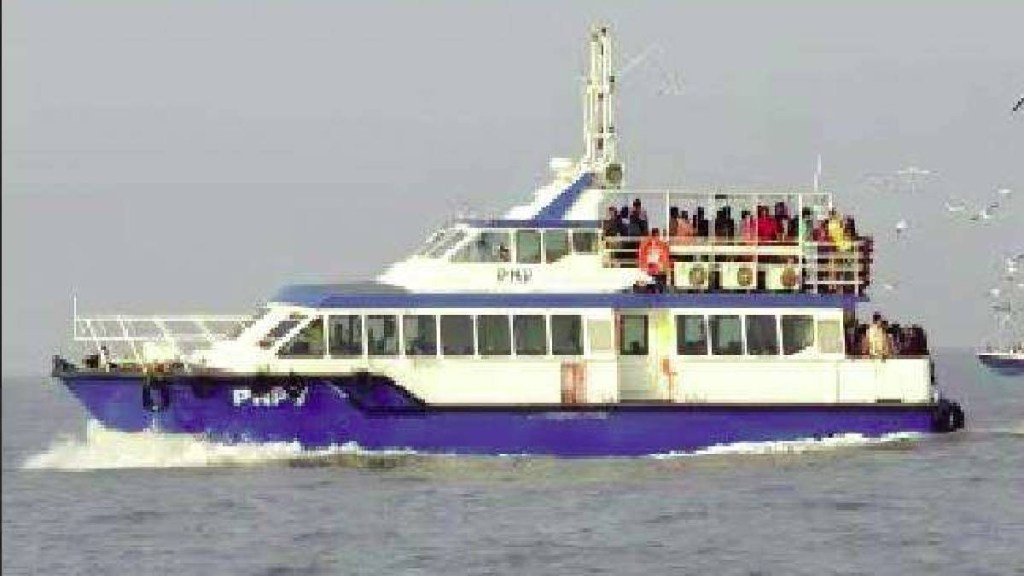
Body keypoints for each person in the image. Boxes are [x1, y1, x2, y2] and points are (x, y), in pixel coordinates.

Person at [638, 228, 670, 293]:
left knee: (657, 282)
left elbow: (665, 257)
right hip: (649, 269)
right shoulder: (645, 244)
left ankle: (655, 288)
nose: (657, 237)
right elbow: (642, 257)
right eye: (656, 235)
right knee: (650, 284)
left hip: (657, 269)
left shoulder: (662, 245)